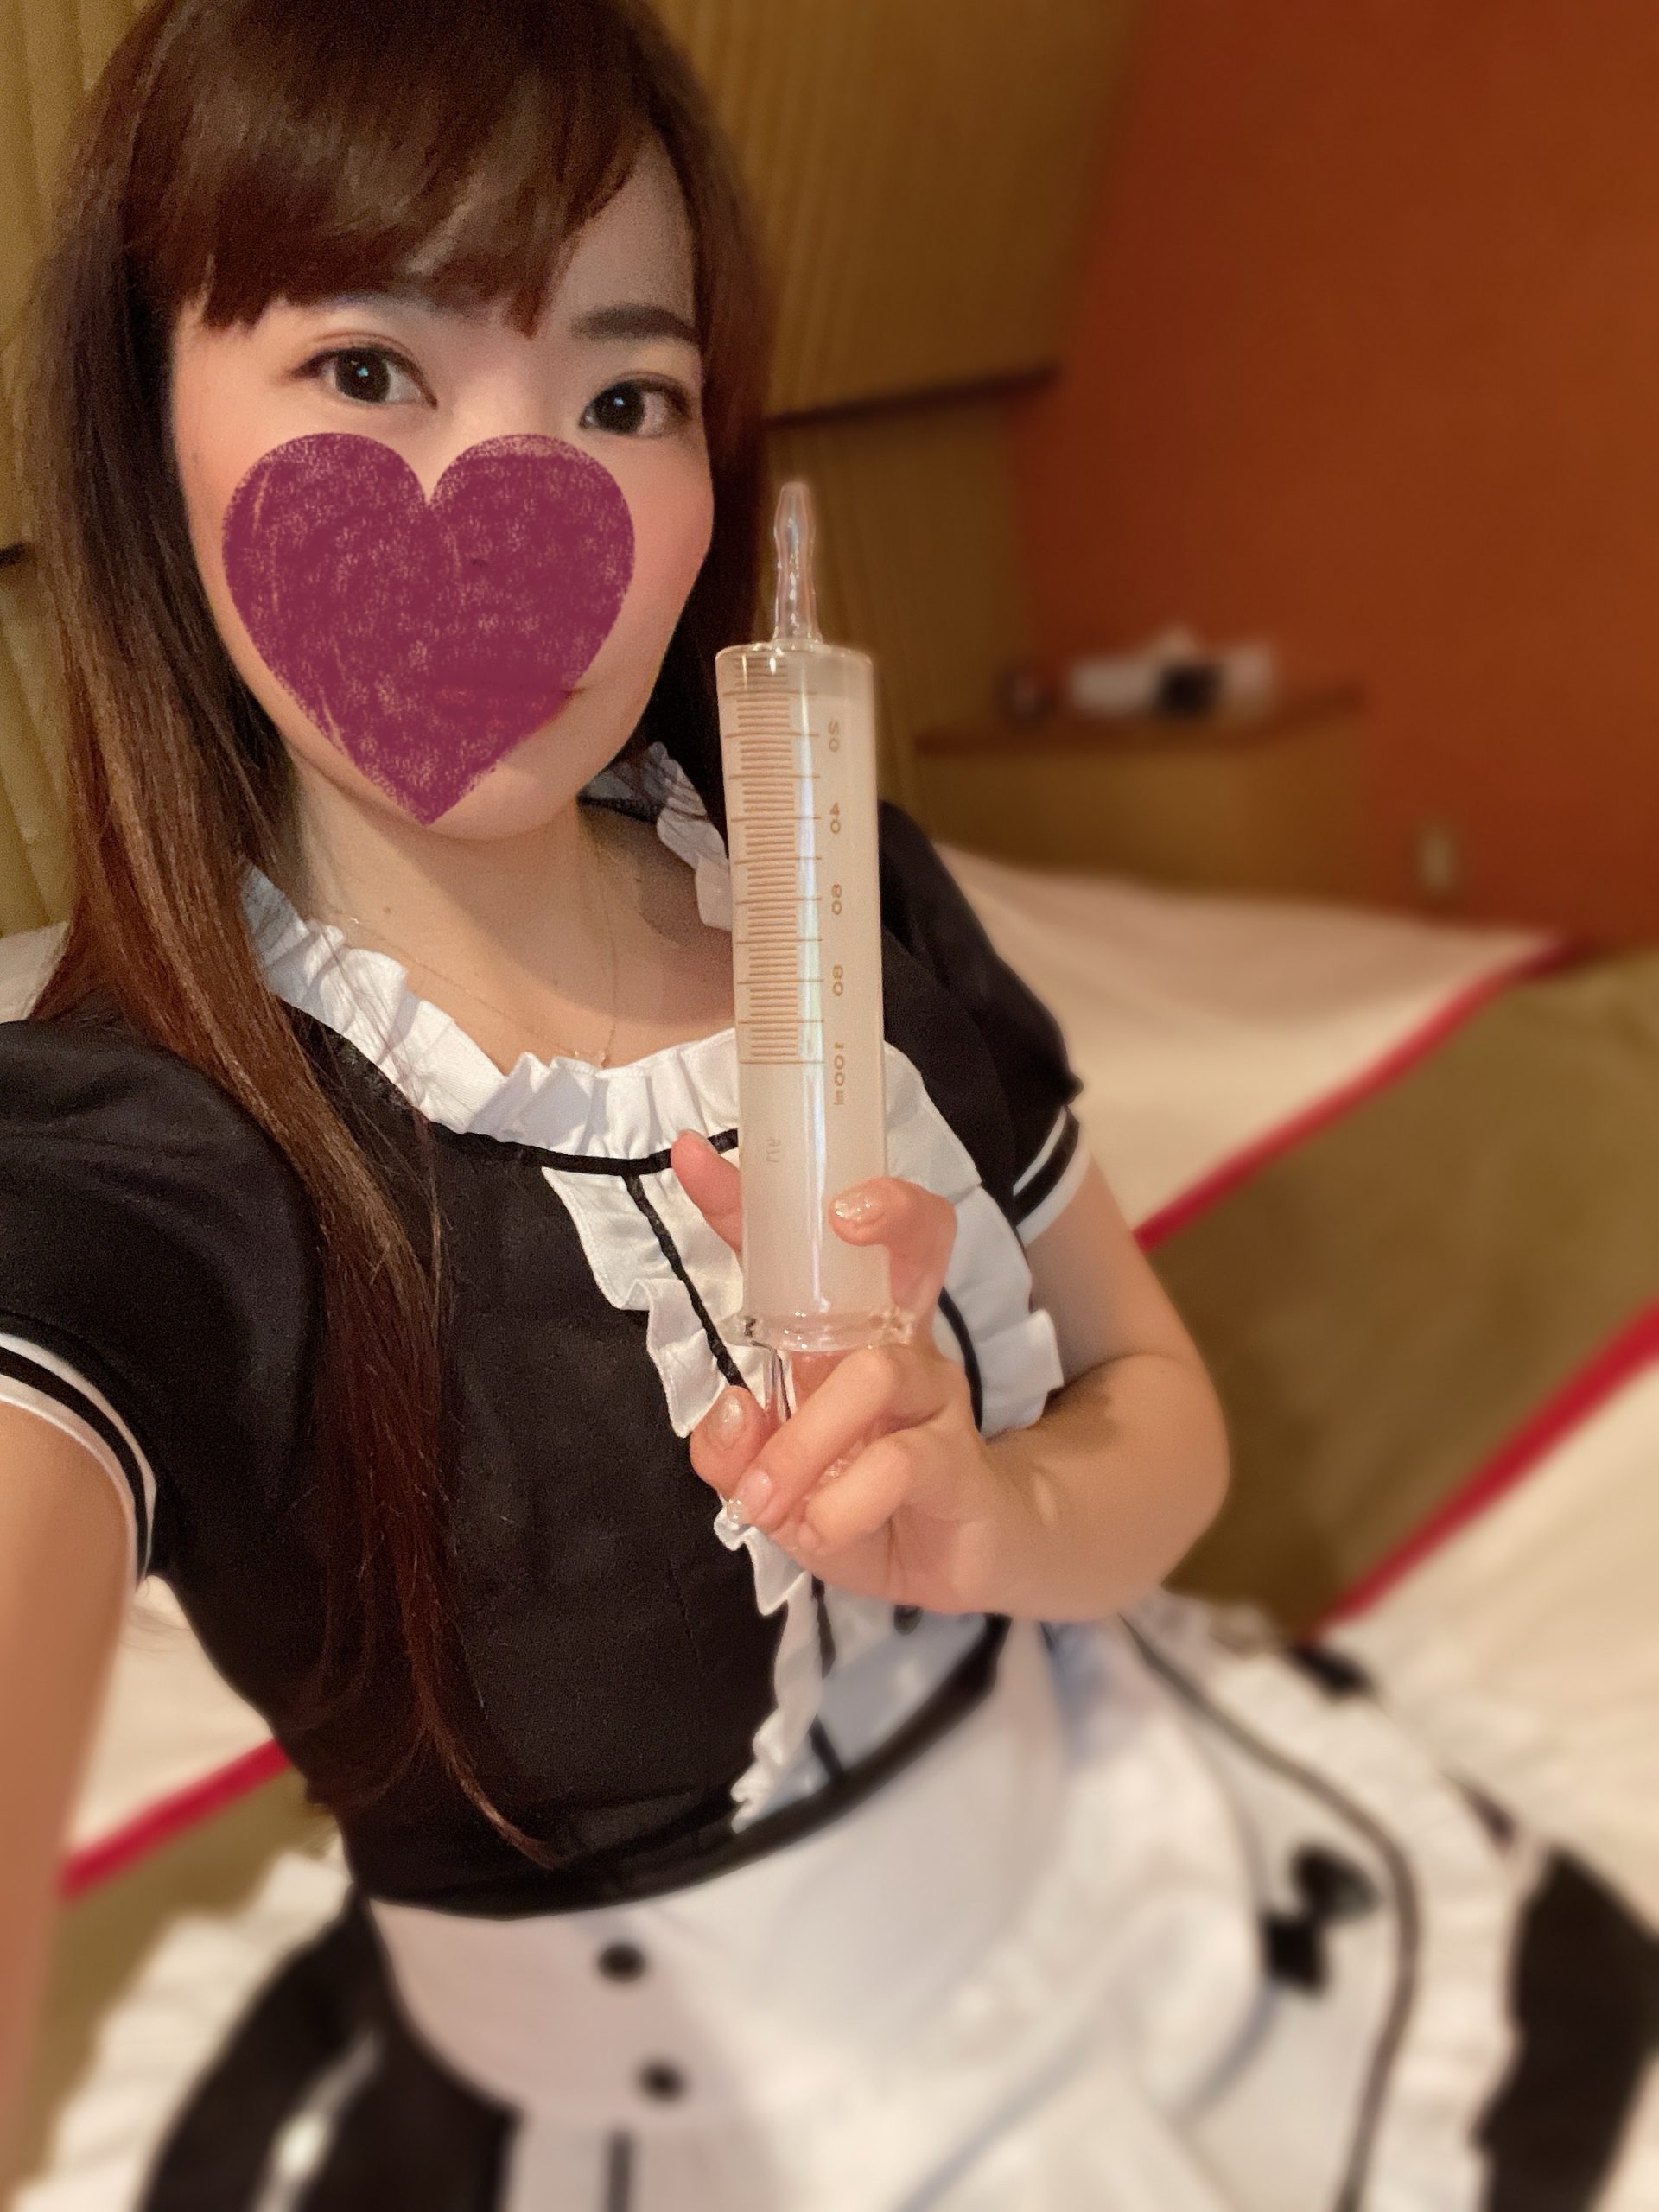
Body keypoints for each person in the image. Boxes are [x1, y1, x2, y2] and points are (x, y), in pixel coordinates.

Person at [0, 3, 1647, 2206]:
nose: (533, 504)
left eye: (627, 395)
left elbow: (1158, 1406)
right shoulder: (130, 1165)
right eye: (370, 366)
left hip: (1150, 1892)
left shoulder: (827, 875)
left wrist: (994, 1517)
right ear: (147, 417)